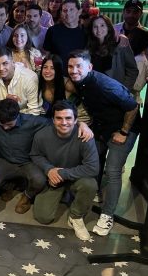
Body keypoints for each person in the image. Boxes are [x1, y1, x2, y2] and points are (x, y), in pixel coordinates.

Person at [67, 50, 139, 236]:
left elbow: (133, 106)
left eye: (78, 66)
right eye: (70, 66)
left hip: (124, 128)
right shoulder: (79, 82)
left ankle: (107, 215)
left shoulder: (105, 85)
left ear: (89, 67)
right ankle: (96, 191)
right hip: (102, 126)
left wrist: (124, 132)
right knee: (94, 160)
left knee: (112, 170)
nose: (74, 70)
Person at [0, 98, 94, 215]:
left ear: (18, 116)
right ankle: (10, 186)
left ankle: (27, 197)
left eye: (9, 124)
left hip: (27, 161)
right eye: (1, 125)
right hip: (5, 160)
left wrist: (81, 124)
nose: (5, 128)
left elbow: (60, 122)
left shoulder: (33, 121)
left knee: (40, 180)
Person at [30, 100, 99, 241]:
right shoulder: (42, 135)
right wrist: (49, 170)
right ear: (53, 120)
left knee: (90, 184)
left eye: (68, 118)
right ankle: (63, 196)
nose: (64, 122)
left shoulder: (85, 137)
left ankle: (76, 217)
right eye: (59, 118)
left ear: (75, 120)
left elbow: (93, 168)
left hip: (74, 177)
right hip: (52, 179)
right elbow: (35, 155)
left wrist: (61, 173)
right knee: (43, 217)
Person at [87, 15, 138, 90]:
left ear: (108, 27)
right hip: (95, 90)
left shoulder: (121, 44)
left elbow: (132, 70)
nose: (99, 29)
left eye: (102, 25)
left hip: (115, 91)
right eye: (95, 27)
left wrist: (124, 90)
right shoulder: (88, 46)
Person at [0, 47, 43, 115]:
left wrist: (15, 116)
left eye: (5, 63)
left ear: (12, 61)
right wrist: (5, 101)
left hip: (26, 116)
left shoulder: (29, 77)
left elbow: (34, 111)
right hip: (3, 116)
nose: (1, 68)